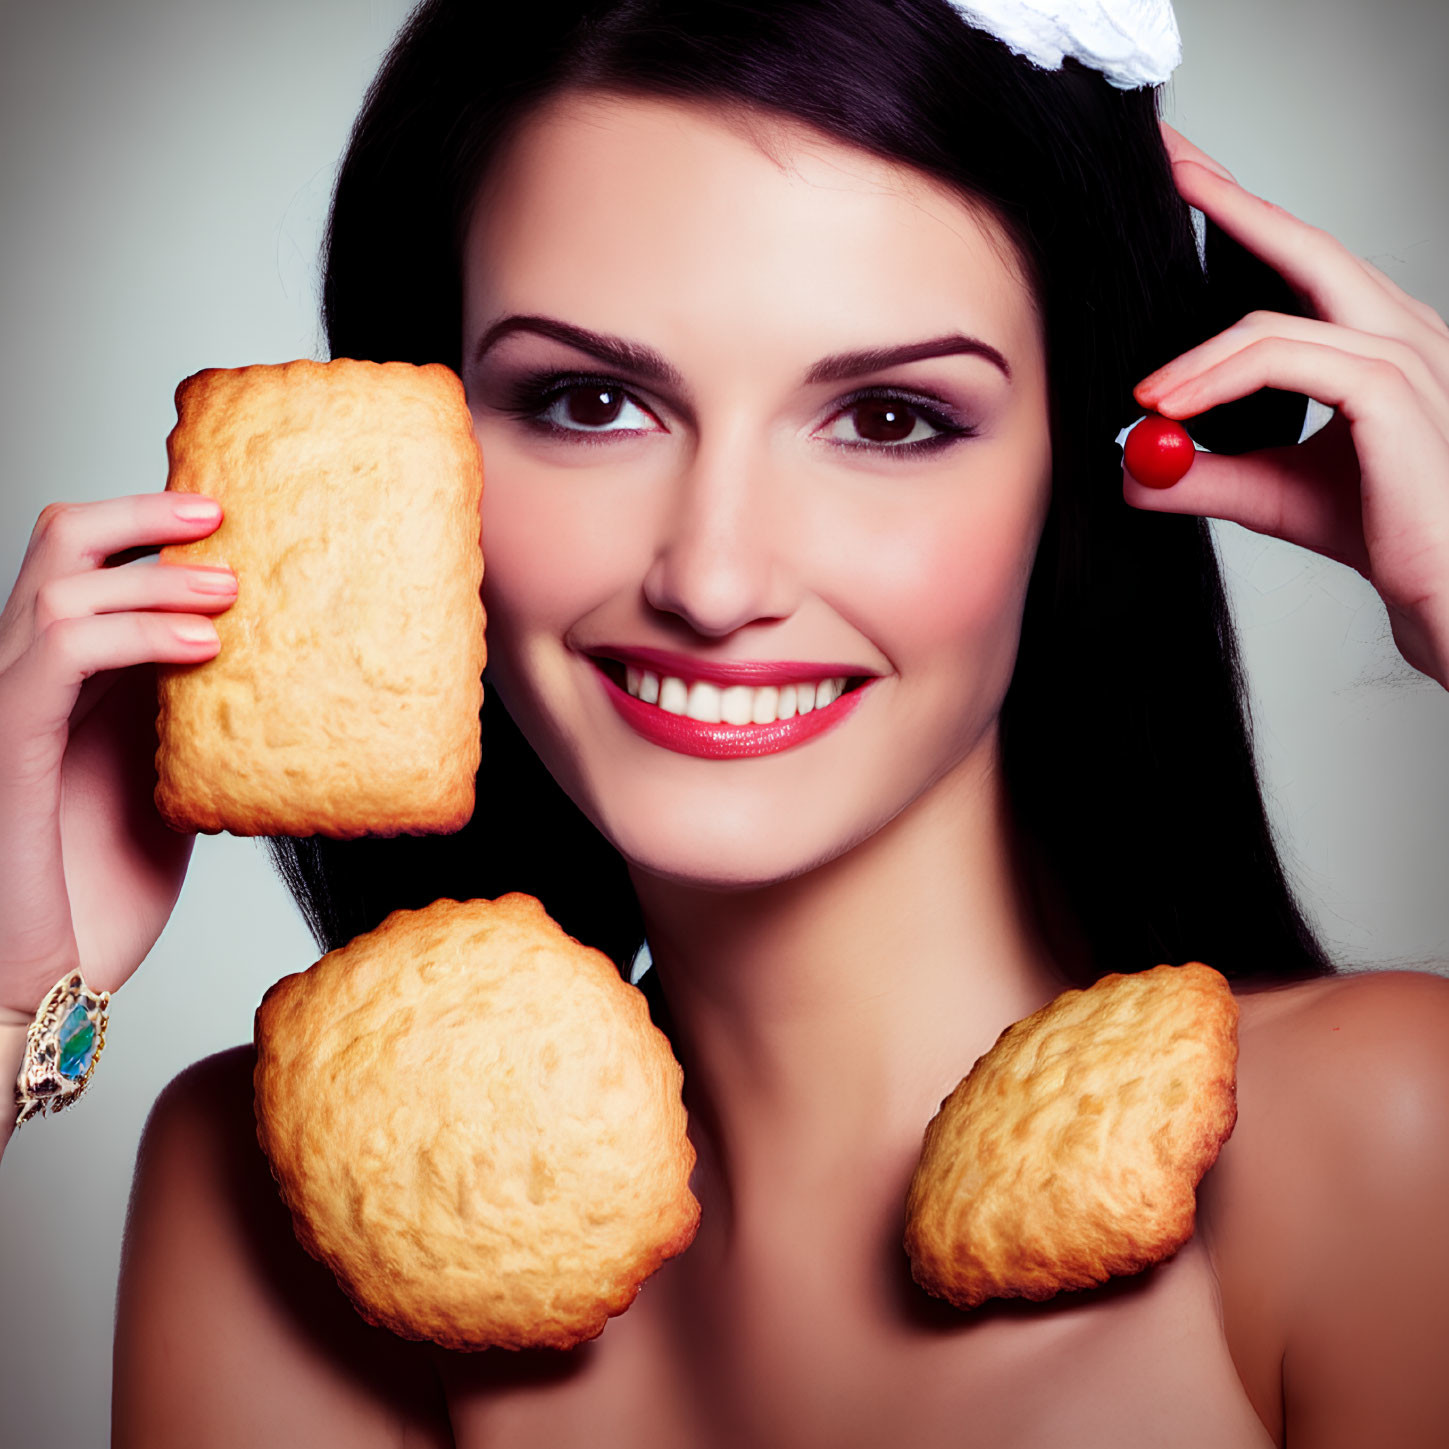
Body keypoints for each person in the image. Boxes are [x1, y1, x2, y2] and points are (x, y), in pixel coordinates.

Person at [2, 0, 1446, 1443]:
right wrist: (10, 996)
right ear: (408, 461)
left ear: (1077, 466)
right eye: (588, 401)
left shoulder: (1375, 1135)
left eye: (888, 418)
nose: (713, 575)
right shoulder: (278, 1201)